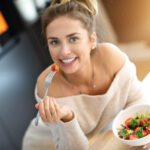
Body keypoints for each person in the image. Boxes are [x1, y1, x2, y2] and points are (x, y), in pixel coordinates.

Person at [22, 0, 150, 149]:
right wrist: (67, 118)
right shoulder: (47, 86)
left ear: (92, 40)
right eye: (54, 42)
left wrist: (142, 137)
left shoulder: (111, 58)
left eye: (73, 39)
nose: (64, 52)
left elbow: (136, 100)